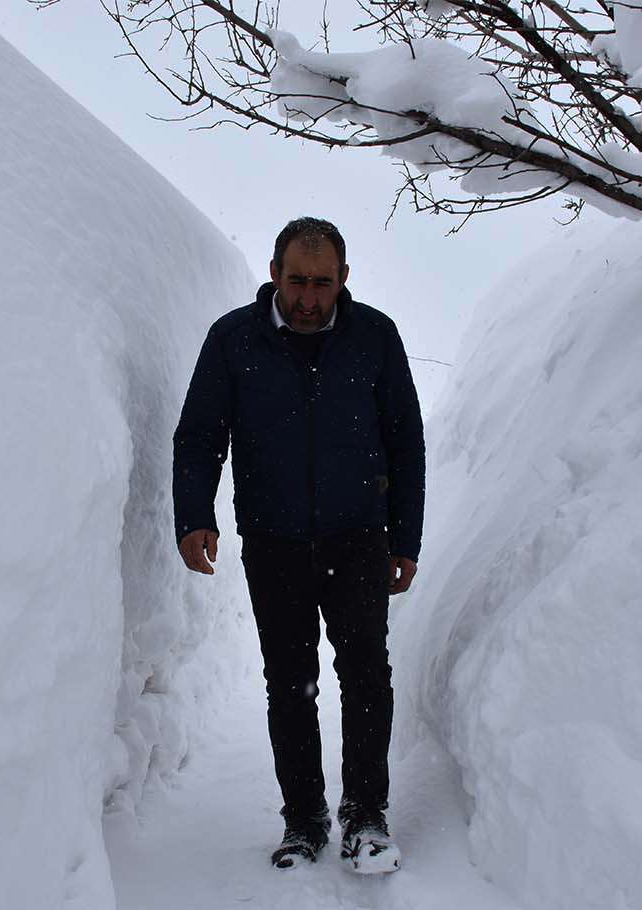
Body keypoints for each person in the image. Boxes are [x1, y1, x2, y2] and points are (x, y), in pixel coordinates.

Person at [172, 217, 425, 873]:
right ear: (274, 273)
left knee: (367, 675)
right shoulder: (235, 340)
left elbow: (406, 442)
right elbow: (200, 434)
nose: (309, 298)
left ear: (344, 279)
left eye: (322, 283)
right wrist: (193, 514)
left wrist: (407, 537)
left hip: (360, 537)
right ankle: (304, 823)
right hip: (275, 541)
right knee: (291, 683)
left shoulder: (375, 337)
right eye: (297, 282)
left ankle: (367, 817)